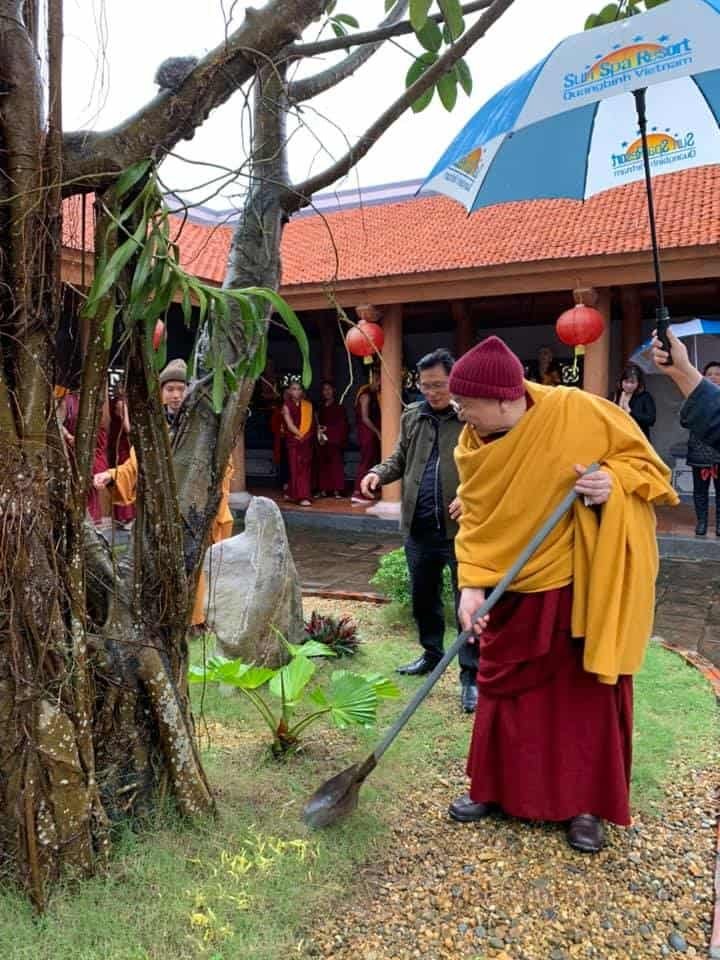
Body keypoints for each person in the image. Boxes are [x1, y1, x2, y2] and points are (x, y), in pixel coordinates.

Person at [447, 335, 677, 852]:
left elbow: (649, 471)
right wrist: (470, 585)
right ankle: (495, 789)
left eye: (468, 404)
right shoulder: (471, 442)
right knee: (504, 694)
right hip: (512, 593)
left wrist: (610, 485)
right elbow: (477, 518)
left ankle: (585, 806)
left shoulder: (578, 412)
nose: (461, 413)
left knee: (582, 701)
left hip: (575, 586)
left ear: (506, 398)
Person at [360, 349, 479, 713]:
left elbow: (494, 465)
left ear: (454, 381)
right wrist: (378, 473)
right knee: (423, 598)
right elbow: (400, 457)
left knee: (467, 607)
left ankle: (470, 675)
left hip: (462, 530)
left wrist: (471, 496)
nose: (432, 392)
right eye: (425, 385)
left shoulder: (472, 417)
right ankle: (430, 653)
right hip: (420, 526)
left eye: (439, 385)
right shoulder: (413, 416)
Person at [94, 358, 234, 626]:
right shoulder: (155, 429)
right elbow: (137, 464)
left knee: (195, 566)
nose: (176, 395)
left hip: (194, 509)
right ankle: (162, 617)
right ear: (161, 393)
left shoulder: (202, 427)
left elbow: (223, 466)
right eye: (170, 389)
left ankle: (195, 621)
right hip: (162, 511)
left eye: (181, 389)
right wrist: (111, 475)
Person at [682, 361, 720, 536]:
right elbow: (684, 419)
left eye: (717, 374)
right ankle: (702, 522)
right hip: (699, 450)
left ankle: (719, 523)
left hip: (718, 451)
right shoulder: (695, 395)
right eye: (709, 373)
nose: (713, 377)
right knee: (700, 490)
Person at [282, 380, 315, 507]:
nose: (296, 391)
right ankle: (301, 497)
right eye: (294, 389)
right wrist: (301, 435)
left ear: (302, 391)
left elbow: (312, 423)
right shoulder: (286, 406)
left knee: (305, 469)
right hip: (294, 441)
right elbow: (289, 425)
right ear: (289, 391)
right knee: (296, 468)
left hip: (306, 441)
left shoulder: (307, 405)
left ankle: (291, 492)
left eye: (299, 389)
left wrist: (306, 436)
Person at [316, 381, 349, 498]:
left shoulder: (339, 407)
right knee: (322, 465)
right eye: (324, 389)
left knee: (336, 465)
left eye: (329, 389)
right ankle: (324, 489)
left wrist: (328, 429)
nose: (327, 392)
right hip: (322, 440)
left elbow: (343, 426)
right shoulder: (320, 408)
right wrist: (319, 430)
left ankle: (337, 490)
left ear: (334, 390)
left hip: (334, 441)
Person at [108, 392, 135, 529]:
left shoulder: (115, 402)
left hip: (116, 444)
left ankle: (121, 516)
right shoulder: (121, 403)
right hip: (122, 445)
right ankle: (125, 515)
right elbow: (128, 427)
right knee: (124, 477)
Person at [352, 376, 381, 503]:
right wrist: (377, 432)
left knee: (371, 461)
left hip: (371, 433)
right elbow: (365, 418)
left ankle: (367, 490)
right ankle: (358, 492)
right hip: (366, 433)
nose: (380, 387)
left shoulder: (374, 395)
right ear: (373, 380)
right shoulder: (366, 395)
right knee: (365, 461)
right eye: (379, 383)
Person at [613, 363, 656, 440]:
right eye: (626, 382)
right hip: (619, 437)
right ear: (621, 381)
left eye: (632, 382)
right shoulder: (615, 395)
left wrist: (630, 411)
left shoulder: (645, 397)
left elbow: (651, 419)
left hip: (638, 439)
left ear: (638, 383)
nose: (629, 385)